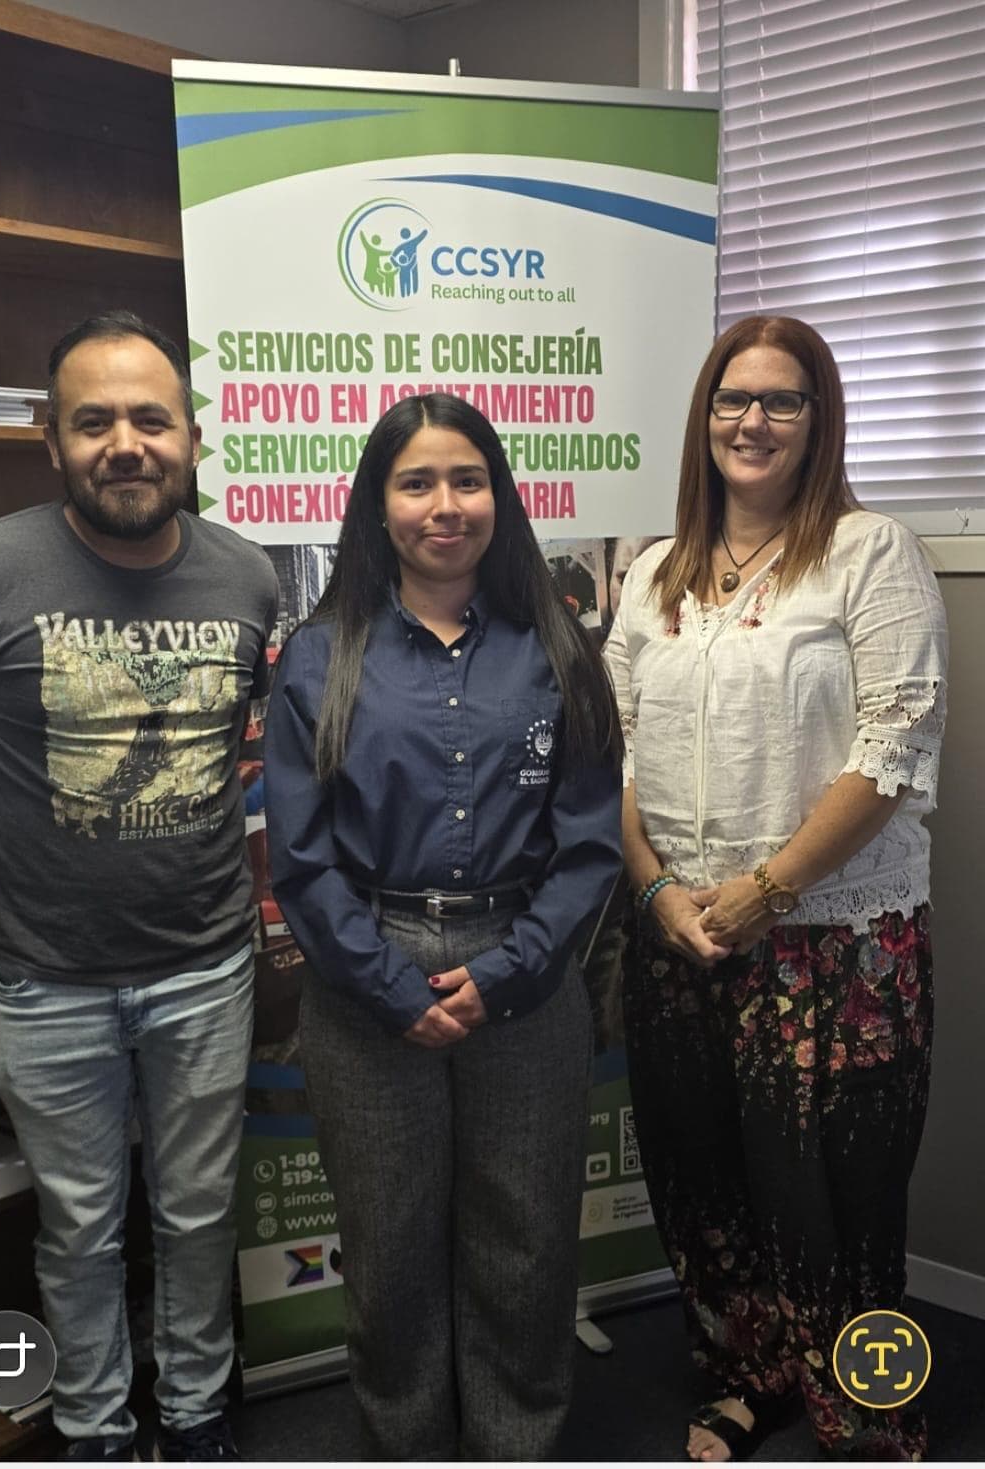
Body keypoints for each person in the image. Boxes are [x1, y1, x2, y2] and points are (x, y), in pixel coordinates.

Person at [0, 312, 279, 1462]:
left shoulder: (249, 576)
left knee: (201, 1213)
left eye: (151, 417)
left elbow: (242, 765)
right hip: (45, 976)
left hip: (206, 967)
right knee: (79, 1228)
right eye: (95, 420)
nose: (126, 441)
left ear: (194, 440)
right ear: (52, 441)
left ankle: (200, 1406)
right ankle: (97, 1425)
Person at [603, 314, 947, 1461]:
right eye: (731, 399)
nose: (752, 421)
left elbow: (897, 745)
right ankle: (747, 1375)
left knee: (844, 1203)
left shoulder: (870, 550)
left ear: (818, 419)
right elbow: (616, 750)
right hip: (681, 934)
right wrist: (655, 892)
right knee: (705, 1182)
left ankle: (870, 1403)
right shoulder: (655, 570)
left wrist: (768, 887)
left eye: (781, 400)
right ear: (704, 419)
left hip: (833, 942)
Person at [262, 392, 622, 1460]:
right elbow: (302, 857)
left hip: (527, 969)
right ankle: (407, 1439)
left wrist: (508, 971)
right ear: (379, 505)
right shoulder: (319, 654)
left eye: (468, 479)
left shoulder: (556, 646)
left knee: (525, 1241)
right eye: (416, 482)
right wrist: (389, 987)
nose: (444, 504)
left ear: (500, 499)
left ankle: (518, 1438)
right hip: (366, 974)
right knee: (390, 1244)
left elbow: (590, 842)